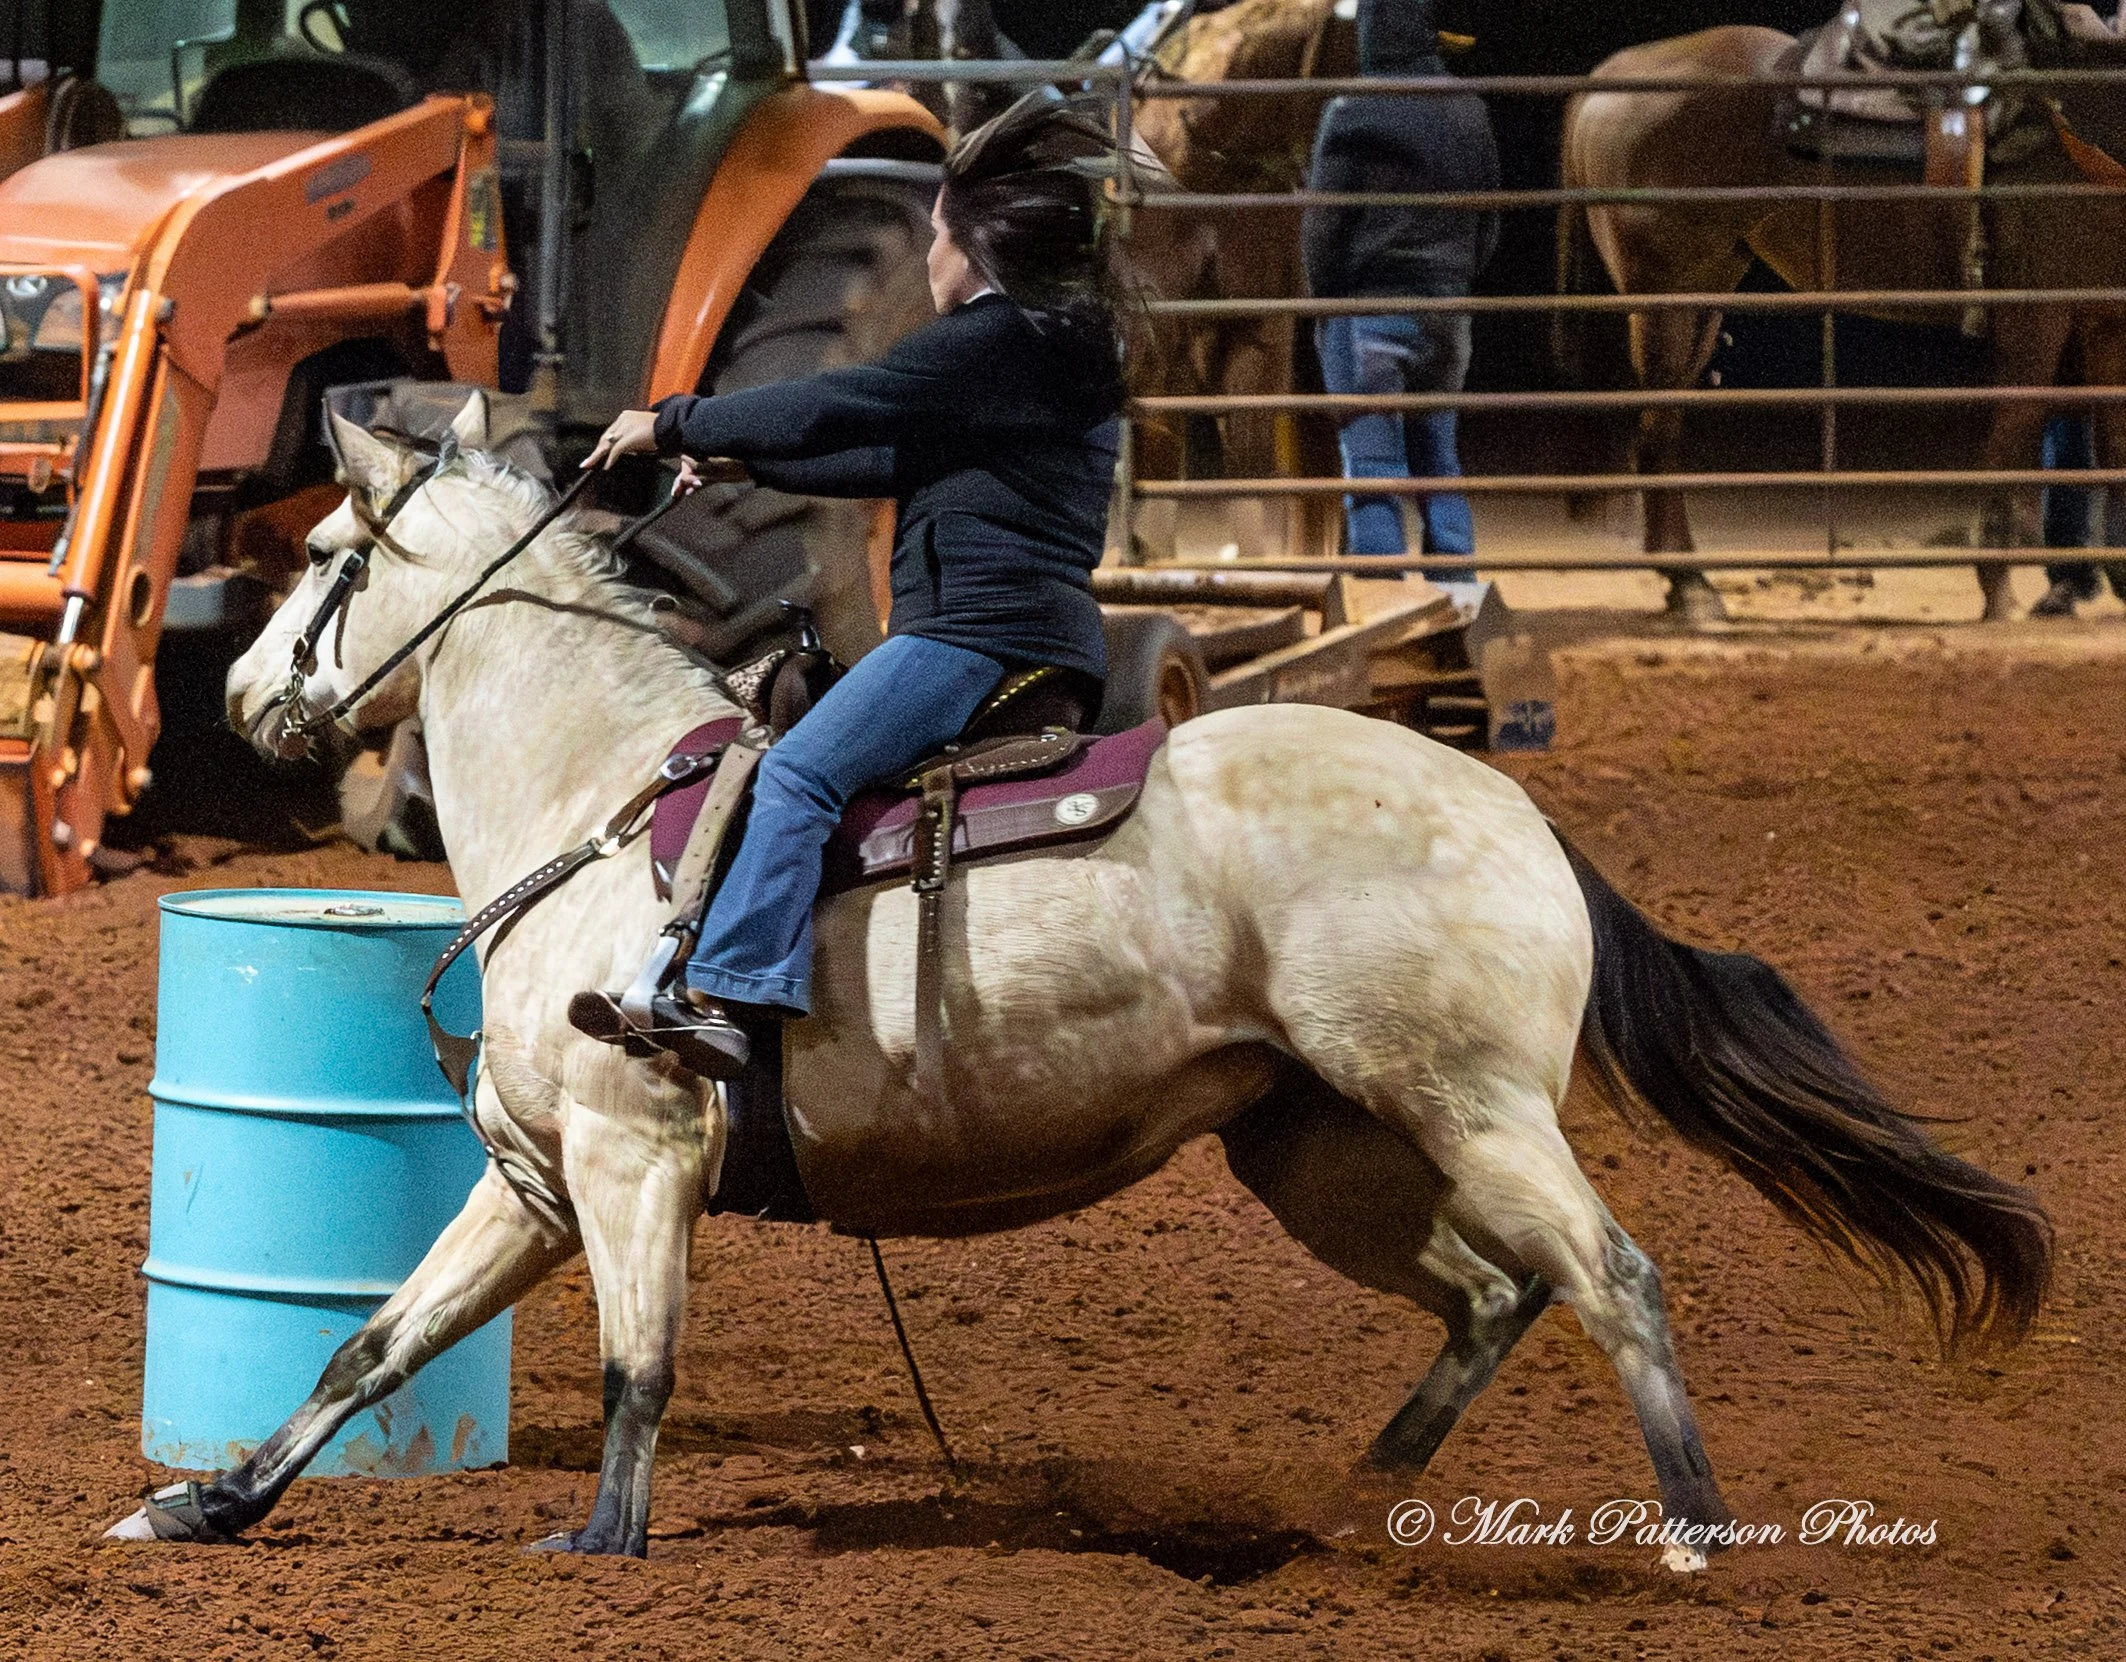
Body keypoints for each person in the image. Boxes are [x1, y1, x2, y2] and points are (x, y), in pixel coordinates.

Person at [569, 95, 1127, 1079]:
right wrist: (752, 468)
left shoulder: (989, 341)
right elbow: (889, 455)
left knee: (797, 772)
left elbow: (844, 399)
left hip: (970, 634)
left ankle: (732, 991)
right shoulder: (1045, 347)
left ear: (978, 248)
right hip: (1032, 629)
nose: (929, 259)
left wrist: (679, 422)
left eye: (941, 238)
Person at [1301, 0, 1498, 576]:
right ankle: (1456, 584)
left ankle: (1382, 588)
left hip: (1371, 307)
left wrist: (1326, 308)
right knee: (1439, 453)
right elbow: (1490, 221)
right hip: (1448, 306)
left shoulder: (1352, 110)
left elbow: (1323, 230)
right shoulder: (1469, 109)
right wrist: (1455, 279)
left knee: (1371, 463)